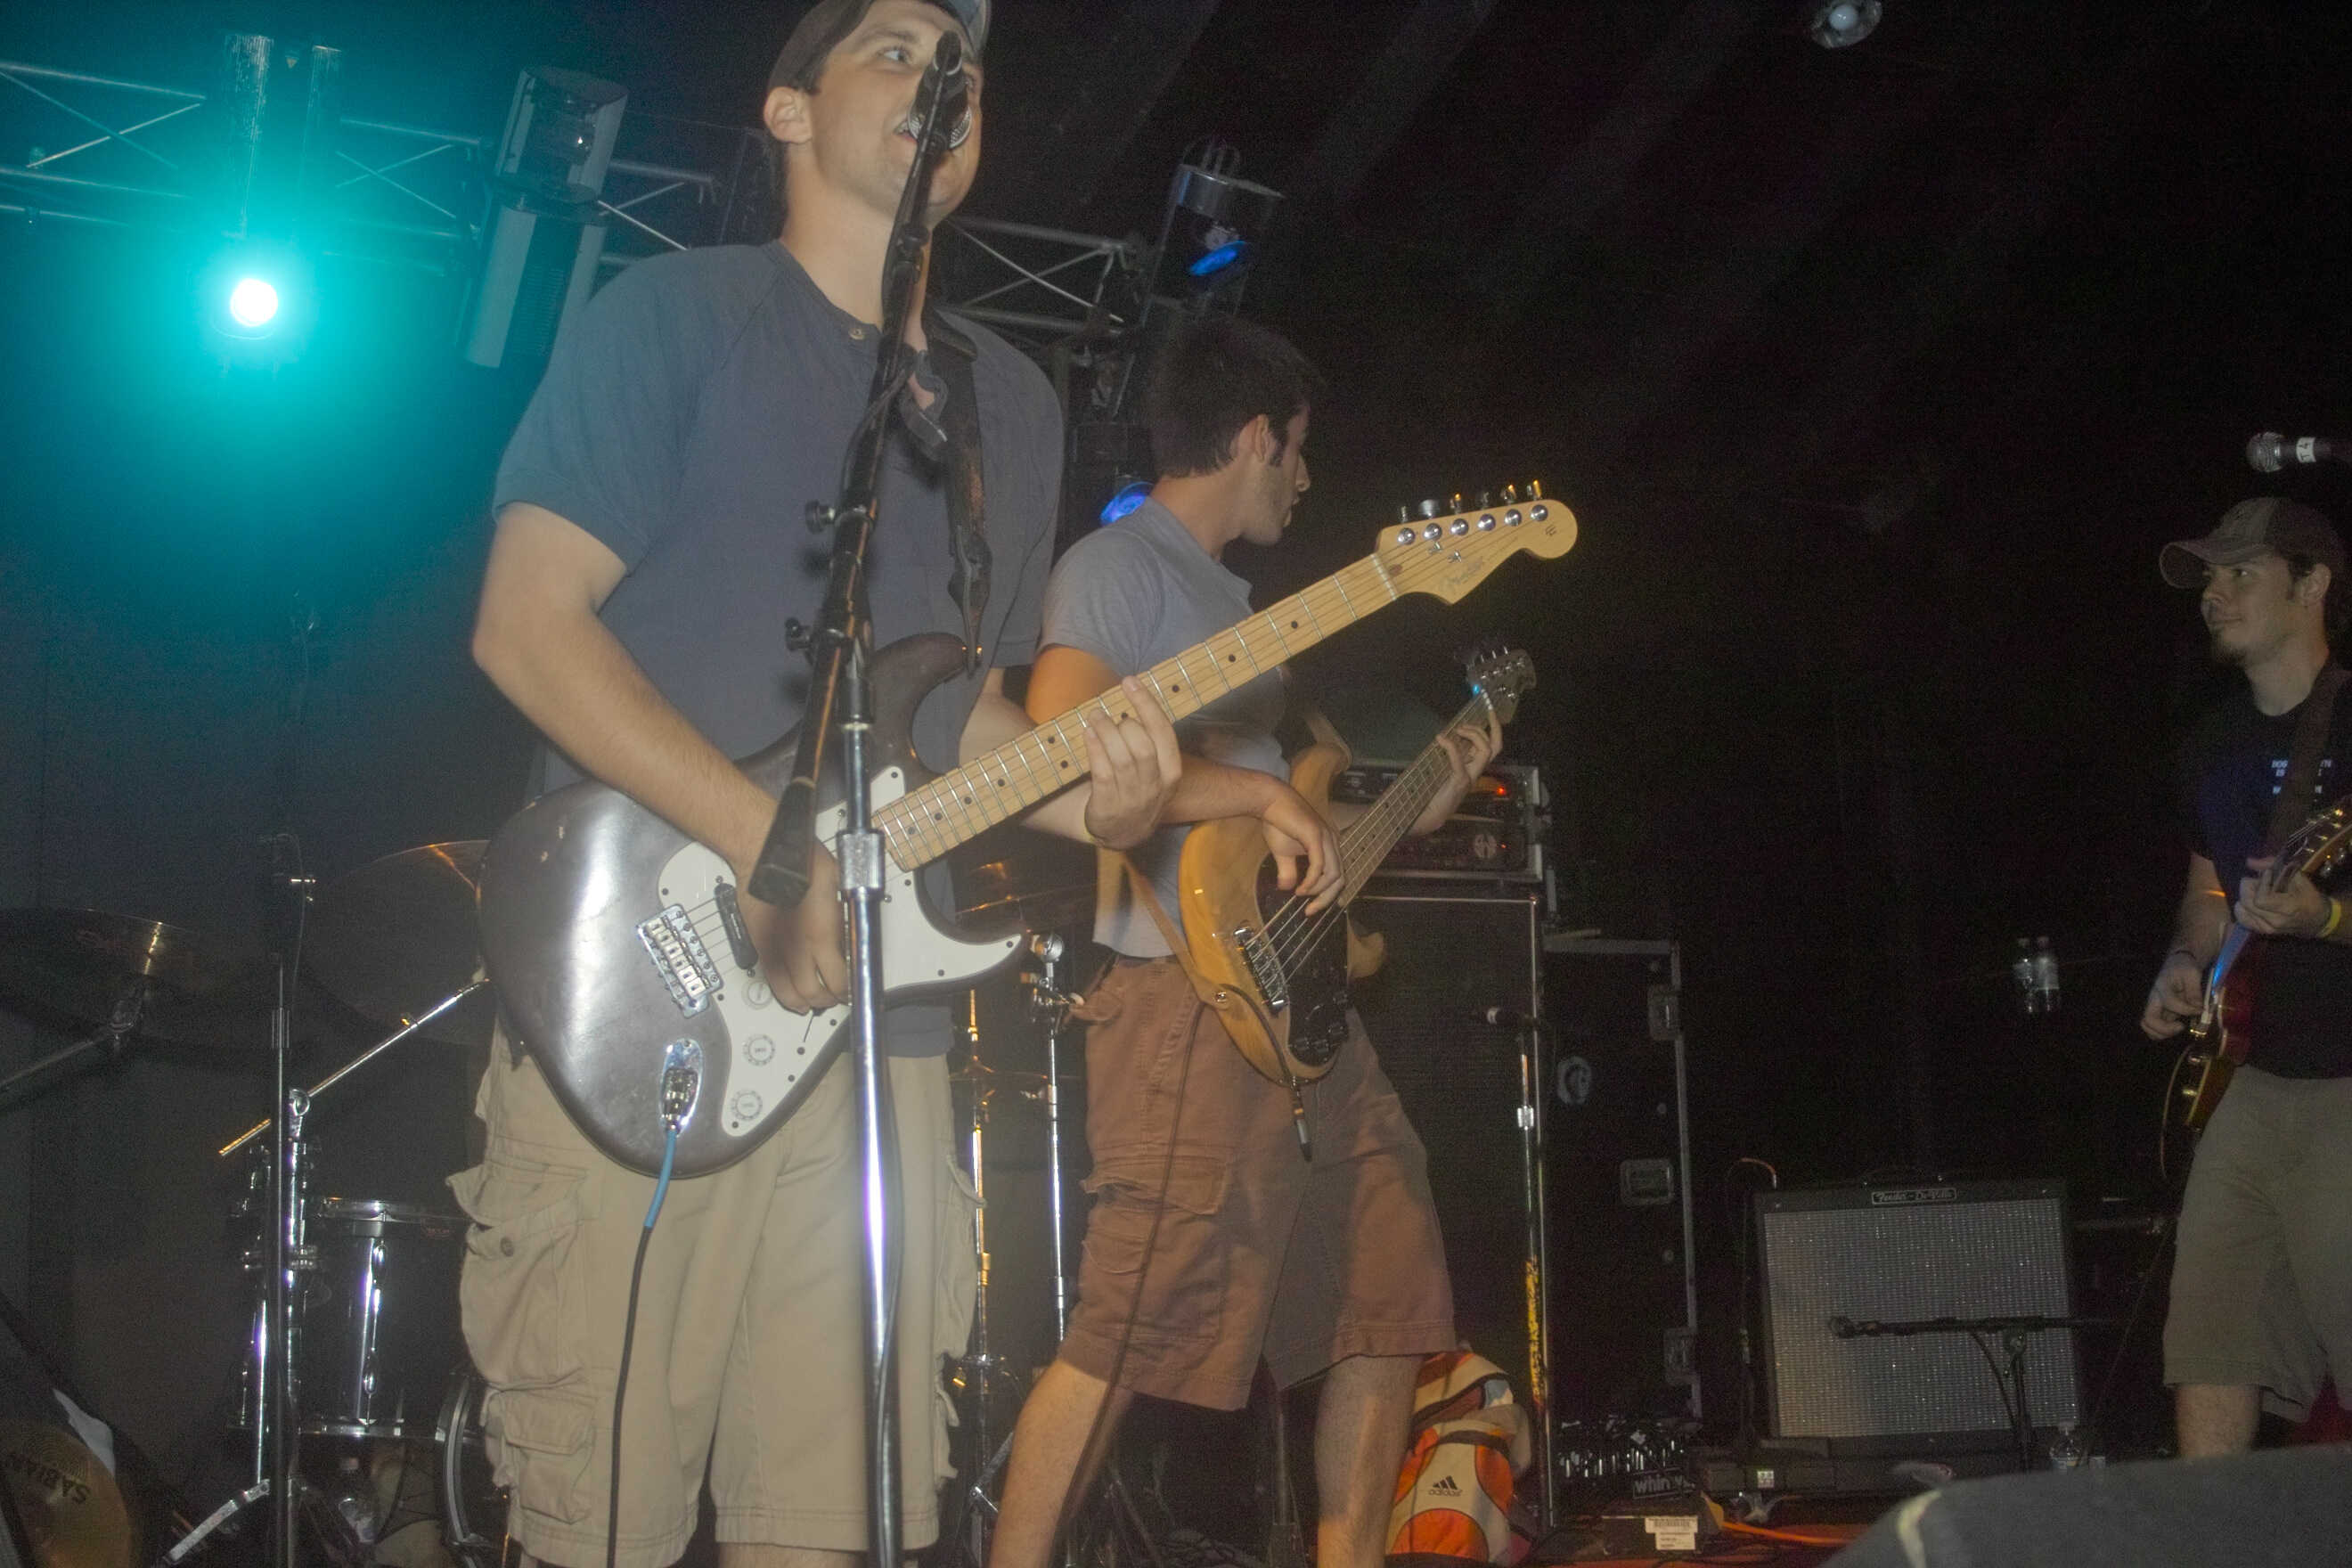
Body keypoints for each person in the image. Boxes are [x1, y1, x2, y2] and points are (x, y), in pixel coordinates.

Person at [454, 3, 1192, 1564]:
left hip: (879, 1037)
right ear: (786, 113)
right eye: (898, 47)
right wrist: (769, 852)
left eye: (964, 67)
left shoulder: (1012, 405)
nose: (944, 81)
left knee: (832, 1527)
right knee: (600, 1525)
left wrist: (1099, 802)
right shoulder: (676, 316)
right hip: (637, 1012)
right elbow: (525, 626)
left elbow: (958, 710)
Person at [986, 314, 1504, 1568]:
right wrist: (1254, 791)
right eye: (1300, 452)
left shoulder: (1237, 609)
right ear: (1260, 437)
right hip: (1181, 1000)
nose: (1307, 482)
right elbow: (1059, 742)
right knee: (1128, 1332)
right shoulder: (1120, 567)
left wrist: (1418, 797)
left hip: (1305, 1012)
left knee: (1387, 1291)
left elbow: (1291, 830)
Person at [2141, 495, 2352, 1458]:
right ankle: (2208, 1531)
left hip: (2346, 1083)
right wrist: (2186, 961)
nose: (2212, 595)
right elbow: (2210, 890)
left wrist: (2328, 917)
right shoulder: (2210, 744)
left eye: (2239, 573)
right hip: (2249, 1079)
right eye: (2208, 578)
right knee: (2211, 1338)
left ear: (2312, 583)